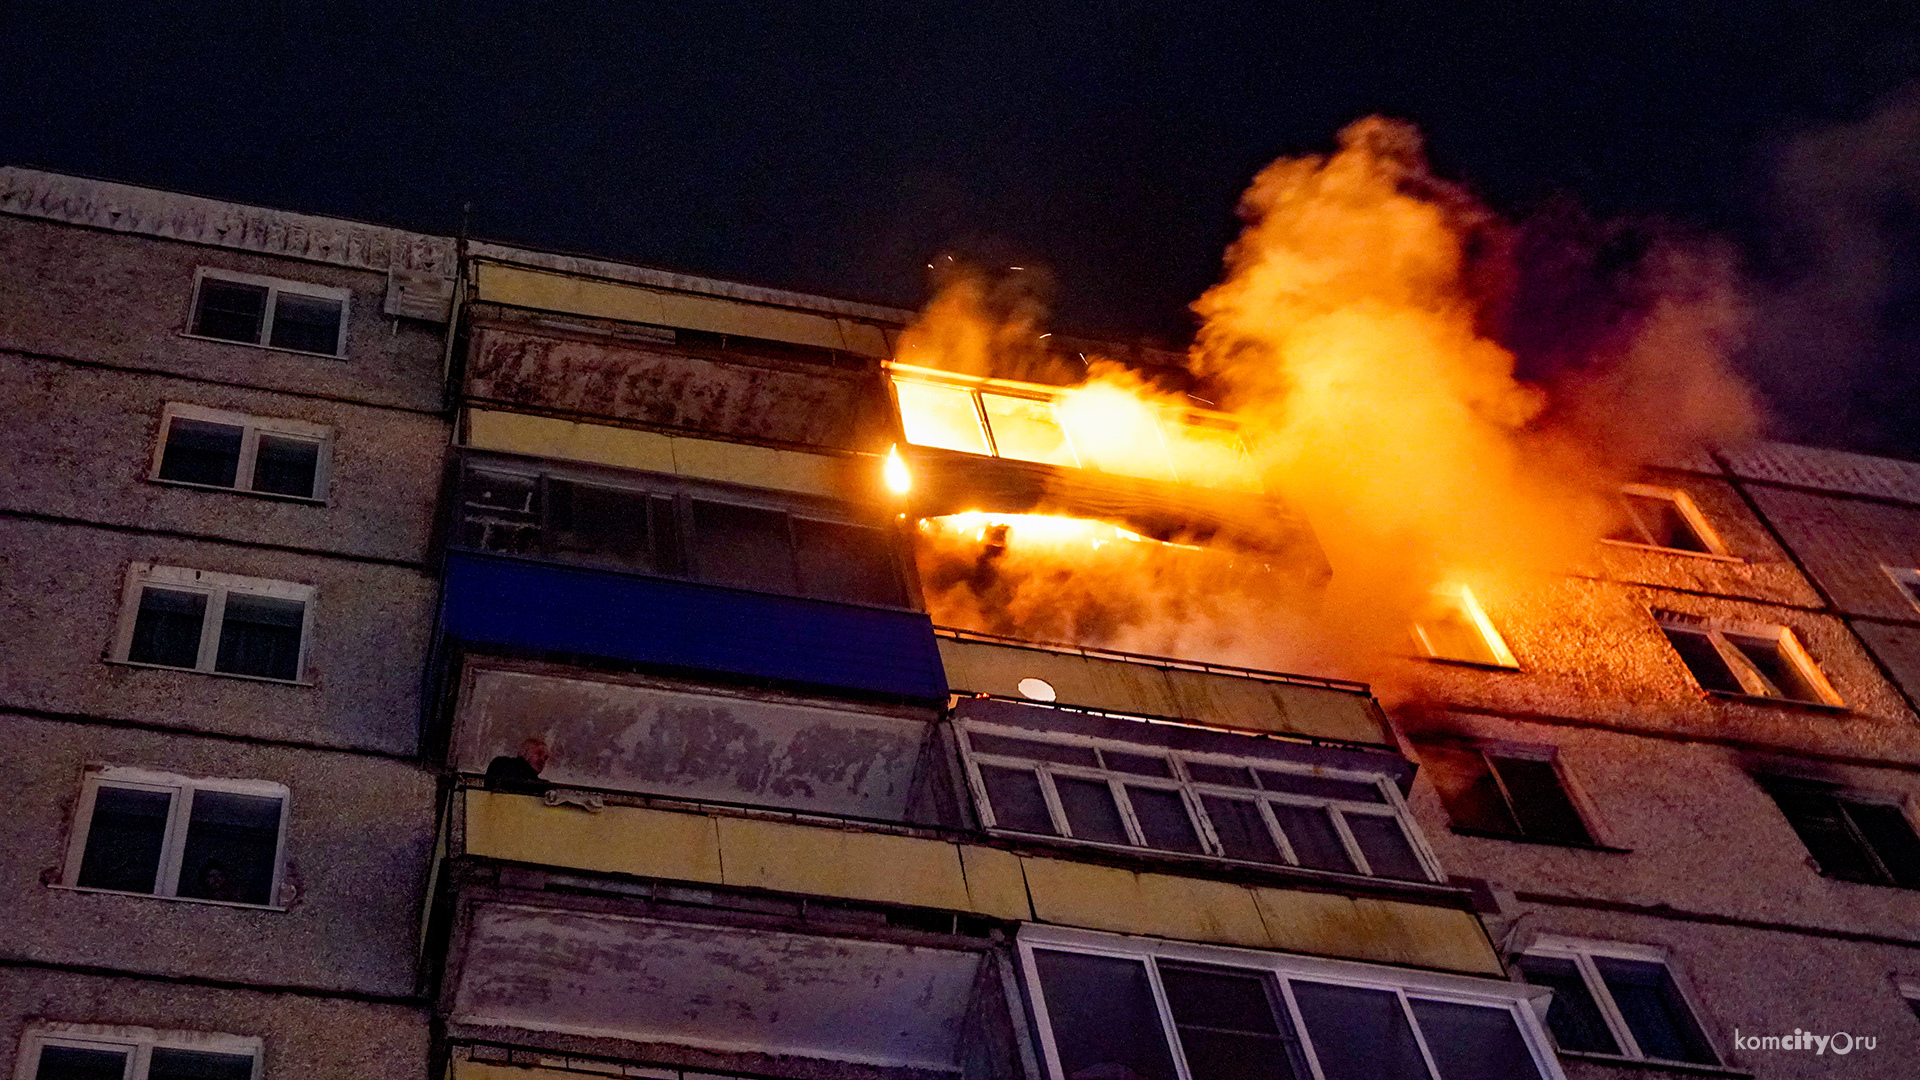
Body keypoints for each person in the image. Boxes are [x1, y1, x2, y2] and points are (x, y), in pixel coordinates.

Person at [484, 736, 552, 794]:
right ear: (525, 752)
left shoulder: (540, 785)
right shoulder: (501, 764)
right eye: (539, 754)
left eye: (545, 758)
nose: (542, 760)